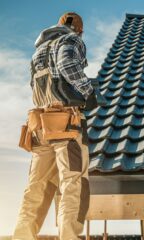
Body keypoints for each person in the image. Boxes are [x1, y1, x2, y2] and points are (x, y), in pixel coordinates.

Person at [13, 12, 95, 240]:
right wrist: (88, 91)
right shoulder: (70, 40)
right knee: (72, 182)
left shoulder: (38, 52)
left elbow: (34, 84)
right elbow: (67, 63)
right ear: (79, 30)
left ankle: (23, 236)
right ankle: (70, 236)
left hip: (39, 125)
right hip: (66, 124)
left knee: (36, 187)